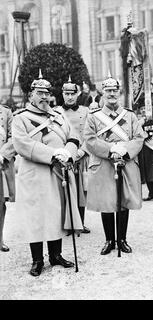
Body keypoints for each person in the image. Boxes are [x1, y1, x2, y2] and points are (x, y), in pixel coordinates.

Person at [12, 70, 83, 276]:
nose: (44, 96)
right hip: (34, 174)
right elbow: (22, 144)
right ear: (31, 94)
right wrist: (53, 153)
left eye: (47, 92)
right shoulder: (20, 118)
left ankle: (56, 255)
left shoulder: (59, 116)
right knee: (35, 216)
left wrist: (67, 153)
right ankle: (37, 260)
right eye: (40, 92)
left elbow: (74, 136)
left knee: (56, 213)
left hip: (57, 173)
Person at [84, 75, 144, 255]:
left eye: (114, 91)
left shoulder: (130, 115)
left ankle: (122, 239)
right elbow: (89, 140)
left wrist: (124, 151)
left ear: (119, 93)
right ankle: (109, 240)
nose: (111, 94)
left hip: (125, 161)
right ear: (102, 93)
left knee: (124, 201)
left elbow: (139, 138)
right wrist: (111, 150)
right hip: (104, 163)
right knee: (107, 202)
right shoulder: (94, 117)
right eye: (108, 91)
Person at [56, 76, 90, 234]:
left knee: (80, 191)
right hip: (62, 157)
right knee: (63, 189)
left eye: (72, 94)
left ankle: (80, 223)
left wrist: (82, 151)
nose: (70, 97)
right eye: (67, 94)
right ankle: (65, 223)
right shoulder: (56, 112)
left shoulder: (86, 111)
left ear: (78, 95)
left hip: (81, 156)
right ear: (62, 94)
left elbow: (91, 134)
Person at [0, 103, 16, 252]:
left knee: (0, 204)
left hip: (1, 164)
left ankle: (0, 239)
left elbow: (14, 137)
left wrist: (3, 154)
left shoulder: (6, 112)